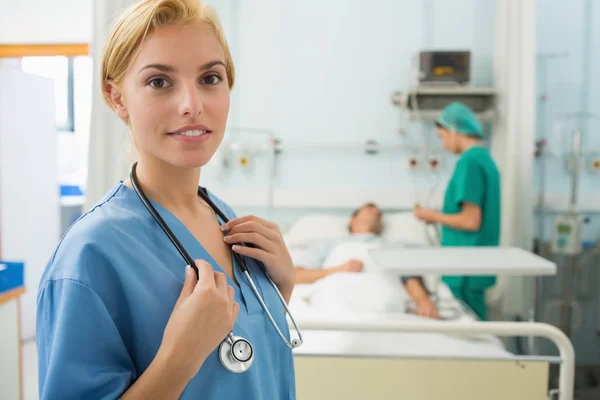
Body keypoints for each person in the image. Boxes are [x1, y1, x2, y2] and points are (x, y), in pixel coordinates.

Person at [36, 1, 297, 399]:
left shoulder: (224, 217)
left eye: (210, 78)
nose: (192, 105)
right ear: (116, 97)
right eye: (160, 82)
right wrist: (180, 357)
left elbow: (245, 365)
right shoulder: (89, 256)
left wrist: (282, 287)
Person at [413, 101, 501, 321]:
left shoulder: (469, 163)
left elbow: (470, 221)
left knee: (469, 333)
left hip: (465, 267)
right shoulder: (485, 159)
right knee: (475, 329)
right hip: (474, 264)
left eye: (442, 137)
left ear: (454, 130)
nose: (443, 146)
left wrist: (430, 215)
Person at [295, 203, 440, 319]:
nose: (376, 210)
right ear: (352, 219)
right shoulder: (326, 244)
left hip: (384, 295)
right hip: (337, 291)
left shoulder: (394, 247)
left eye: (379, 212)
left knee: (386, 306)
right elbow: (296, 276)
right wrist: (338, 270)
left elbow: (409, 278)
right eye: (369, 208)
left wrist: (424, 302)